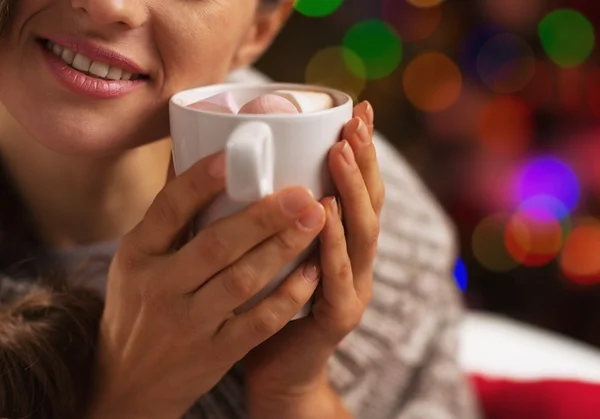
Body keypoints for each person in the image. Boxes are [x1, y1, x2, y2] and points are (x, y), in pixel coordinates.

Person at [0, 0, 480, 418]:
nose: (108, 4)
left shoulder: (384, 230)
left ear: (258, 30)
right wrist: (130, 397)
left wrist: (294, 390)